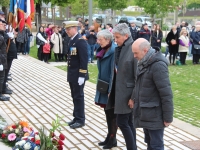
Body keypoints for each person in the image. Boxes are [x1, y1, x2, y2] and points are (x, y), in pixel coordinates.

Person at [132, 38, 174, 150]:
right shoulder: (144, 62)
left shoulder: (158, 66)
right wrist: (133, 98)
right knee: (150, 142)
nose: (134, 56)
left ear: (145, 50)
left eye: (136, 53)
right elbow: (139, 84)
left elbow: (166, 93)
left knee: (156, 145)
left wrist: (168, 117)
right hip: (146, 112)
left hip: (155, 115)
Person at [110, 23, 137, 150]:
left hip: (128, 95)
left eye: (117, 37)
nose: (115, 40)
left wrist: (133, 97)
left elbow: (138, 77)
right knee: (128, 122)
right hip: (120, 92)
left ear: (126, 36)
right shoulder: (120, 48)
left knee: (122, 122)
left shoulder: (133, 49)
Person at [94, 30, 117, 149]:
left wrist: (110, 91)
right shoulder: (103, 50)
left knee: (112, 114)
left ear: (108, 40)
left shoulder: (113, 51)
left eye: (100, 39)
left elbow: (114, 73)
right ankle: (110, 136)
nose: (98, 42)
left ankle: (113, 138)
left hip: (110, 87)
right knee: (107, 112)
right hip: (103, 85)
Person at [63, 21, 88, 129]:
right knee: (74, 96)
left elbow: (84, 60)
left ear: (75, 28)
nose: (67, 31)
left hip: (78, 75)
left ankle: (80, 119)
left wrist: (82, 75)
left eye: (69, 29)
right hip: (73, 74)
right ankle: (76, 117)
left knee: (78, 97)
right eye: (66, 29)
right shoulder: (72, 40)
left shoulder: (80, 41)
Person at [0, 18, 10, 101]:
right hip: (1, 61)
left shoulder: (2, 34)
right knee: (1, 77)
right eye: (2, 24)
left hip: (2, 59)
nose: (4, 25)